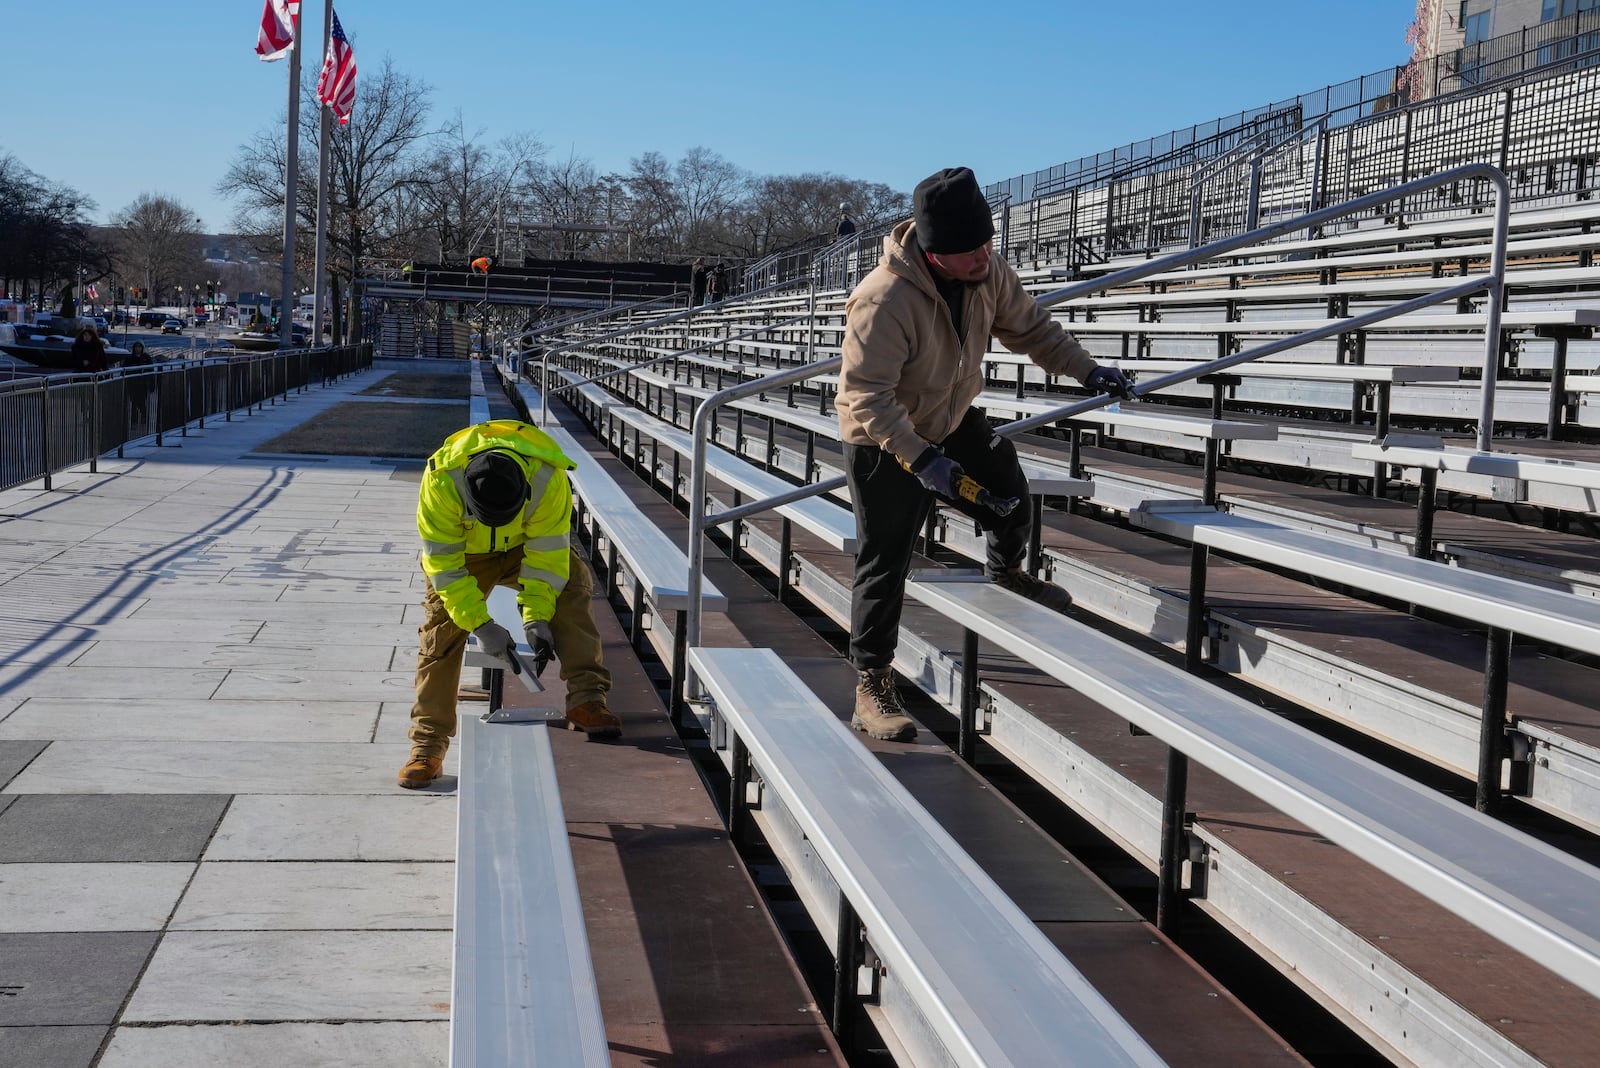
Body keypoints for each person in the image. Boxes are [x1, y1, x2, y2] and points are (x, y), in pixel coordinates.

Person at [836, 166, 1133, 743]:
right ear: (934, 249)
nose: (985, 257)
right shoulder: (883, 298)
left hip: (949, 419)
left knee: (1010, 497)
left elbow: (1032, 329)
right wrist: (921, 460)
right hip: (882, 439)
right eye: (970, 250)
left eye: (988, 243)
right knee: (885, 560)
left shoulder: (988, 271)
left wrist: (1089, 370)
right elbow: (865, 395)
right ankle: (871, 683)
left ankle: (1007, 571)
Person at [399, 419, 621, 789]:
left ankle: (588, 699)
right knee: (441, 634)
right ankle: (428, 744)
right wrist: (482, 626)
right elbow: (444, 567)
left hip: (522, 547)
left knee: (573, 583)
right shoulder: (441, 481)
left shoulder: (549, 480)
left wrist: (536, 618)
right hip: (466, 555)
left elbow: (547, 556)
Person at [124, 341, 153, 427]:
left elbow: (150, 370)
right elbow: (125, 369)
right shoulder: (130, 358)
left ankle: (144, 416)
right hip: (132, 383)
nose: (138, 348)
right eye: (136, 347)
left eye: (139, 347)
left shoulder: (146, 358)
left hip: (143, 384)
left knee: (141, 401)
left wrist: (151, 384)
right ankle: (134, 421)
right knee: (133, 402)